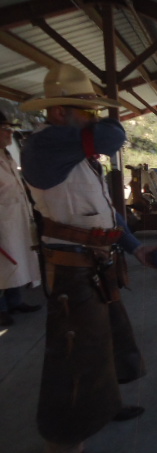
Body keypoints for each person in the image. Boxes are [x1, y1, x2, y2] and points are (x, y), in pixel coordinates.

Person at [19, 63, 157, 453]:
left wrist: (134, 248)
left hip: (95, 263)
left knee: (106, 344)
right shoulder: (44, 147)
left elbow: (102, 212)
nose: (94, 118)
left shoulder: (74, 153)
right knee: (73, 359)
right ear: (59, 112)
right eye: (86, 110)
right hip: (71, 269)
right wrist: (102, 119)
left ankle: (104, 406)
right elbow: (113, 134)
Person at [0, 110, 41, 326]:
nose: (9, 133)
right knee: (2, 265)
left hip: (14, 220)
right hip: (2, 223)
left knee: (14, 262)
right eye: (5, 129)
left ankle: (14, 301)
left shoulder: (6, 155)